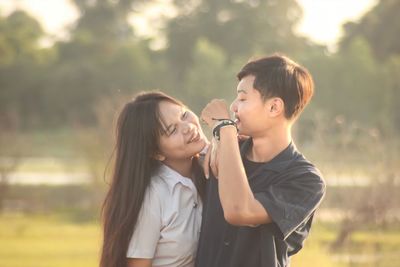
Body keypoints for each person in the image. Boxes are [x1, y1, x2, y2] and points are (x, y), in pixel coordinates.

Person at [196, 54, 326, 267]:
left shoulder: (306, 180)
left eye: (243, 98)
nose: (234, 107)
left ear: (274, 107)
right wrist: (221, 138)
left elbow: (239, 211)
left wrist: (224, 129)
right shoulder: (225, 149)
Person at [100, 91, 208, 267]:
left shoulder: (209, 169)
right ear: (155, 152)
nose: (188, 127)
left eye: (184, 114)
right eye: (172, 130)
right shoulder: (153, 195)